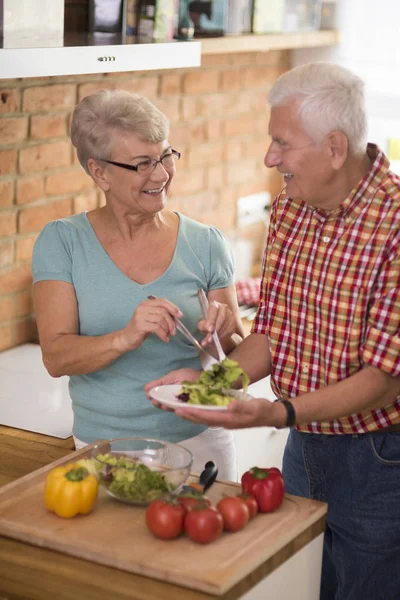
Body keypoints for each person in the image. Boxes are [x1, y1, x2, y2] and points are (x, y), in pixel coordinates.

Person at [146, 62, 400, 600]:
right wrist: (212, 385)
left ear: (334, 147)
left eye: (281, 143)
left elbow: (383, 378)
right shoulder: (290, 208)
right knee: (305, 585)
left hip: (380, 459)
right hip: (303, 446)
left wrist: (277, 412)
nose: (269, 158)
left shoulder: (395, 227)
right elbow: (274, 334)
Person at [32, 89, 244, 480]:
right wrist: (125, 336)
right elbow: (56, 357)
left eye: (165, 156)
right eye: (142, 164)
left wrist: (228, 333)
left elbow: (236, 359)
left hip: (201, 444)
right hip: (106, 451)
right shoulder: (62, 242)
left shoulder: (206, 242)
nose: (161, 174)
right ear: (99, 172)